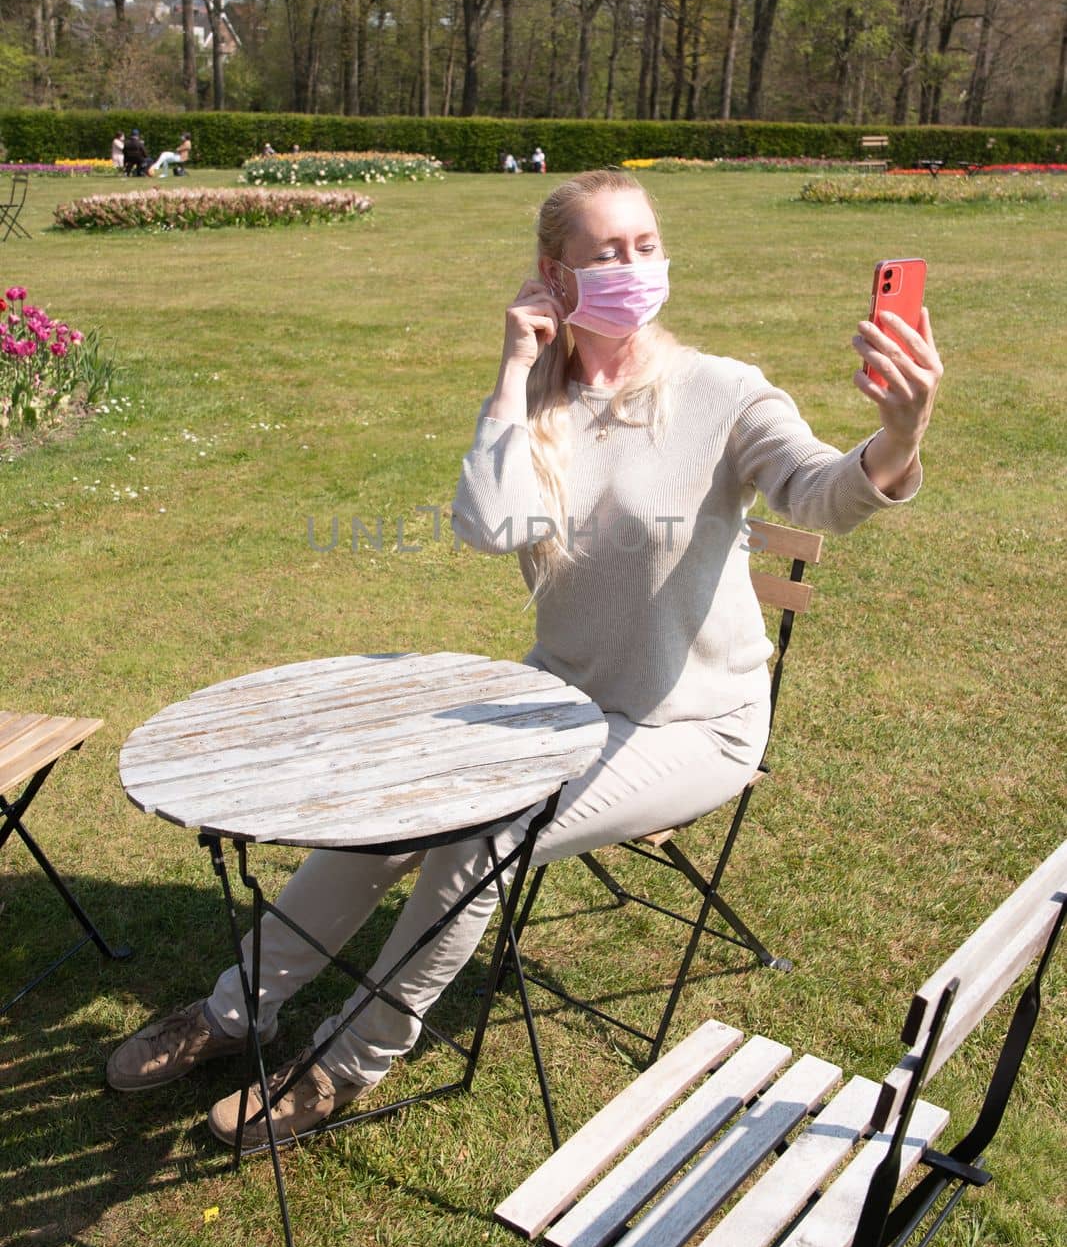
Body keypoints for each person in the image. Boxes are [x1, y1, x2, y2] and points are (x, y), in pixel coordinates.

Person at [105, 169, 942, 1146]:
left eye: (645, 244)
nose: (635, 266)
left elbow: (818, 494)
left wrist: (897, 433)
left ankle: (346, 1062)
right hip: (560, 701)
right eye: (606, 251)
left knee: (475, 834)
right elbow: (486, 522)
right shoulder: (535, 409)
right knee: (391, 803)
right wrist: (514, 366)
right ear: (554, 275)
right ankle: (232, 1011)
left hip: (690, 724)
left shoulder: (721, 392)